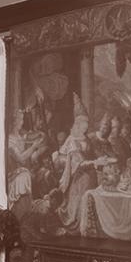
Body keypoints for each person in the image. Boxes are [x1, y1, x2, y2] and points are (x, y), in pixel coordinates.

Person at [52, 93, 102, 233]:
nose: (87, 125)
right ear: (78, 124)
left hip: (90, 174)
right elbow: (80, 163)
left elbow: (92, 154)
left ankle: (90, 225)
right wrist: (96, 162)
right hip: (79, 177)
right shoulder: (72, 141)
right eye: (84, 122)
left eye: (87, 122)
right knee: (82, 196)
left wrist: (100, 159)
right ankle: (79, 224)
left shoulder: (86, 138)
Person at [7, 109, 48, 209]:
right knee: (25, 176)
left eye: (22, 119)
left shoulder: (20, 136)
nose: (21, 122)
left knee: (36, 173)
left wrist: (40, 135)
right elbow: (21, 158)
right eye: (19, 120)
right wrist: (34, 146)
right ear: (13, 121)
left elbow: (29, 137)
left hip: (23, 170)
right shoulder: (10, 140)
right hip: (13, 174)